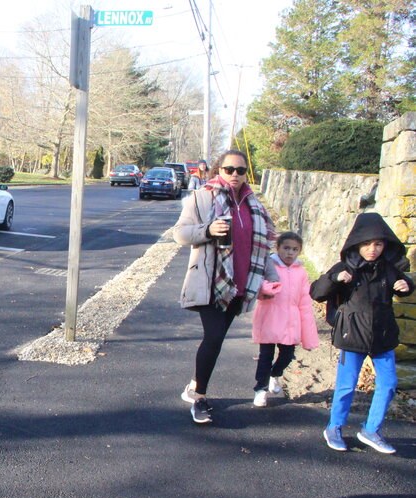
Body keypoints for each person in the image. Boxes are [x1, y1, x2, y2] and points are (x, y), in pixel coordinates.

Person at [173, 149, 277, 424]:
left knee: (216, 339)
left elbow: (263, 247)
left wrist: (271, 277)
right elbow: (180, 234)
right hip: (211, 282)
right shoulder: (202, 197)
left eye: (240, 170)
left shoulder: (253, 204)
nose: (234, 175)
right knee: (214, 338)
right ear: (219, 170)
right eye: (229, 169)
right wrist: (207, 230)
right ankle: (200, 398)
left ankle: (194, 384)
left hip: (240, 283)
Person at [310, 212, 413, 454]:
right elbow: (317, 292)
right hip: (352, 335)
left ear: (385, 244)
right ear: (357, 244)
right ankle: (334, 427)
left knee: (388, 385)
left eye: (378, 244)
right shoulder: (345, 267)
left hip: (383, 336)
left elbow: (404, 285)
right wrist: (334, 278)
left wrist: (406, 286)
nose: (372, 249)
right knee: (346, 387)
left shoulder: (389, 268)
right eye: (367, 244)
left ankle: (371, 430)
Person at [250, 232, 319, 407]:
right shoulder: (268, 265)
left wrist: (308, 331)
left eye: (295, 249)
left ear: (299, 251)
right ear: (278, 248)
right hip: (269, 317)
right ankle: (261, 388)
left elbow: (304, 301)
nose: (290, 253)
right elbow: (255, 288)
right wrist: (266, 288)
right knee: (265, 355)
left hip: (291, 321)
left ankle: (275, 373)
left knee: (287, 355)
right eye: (286, 248)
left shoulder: (301, 272)